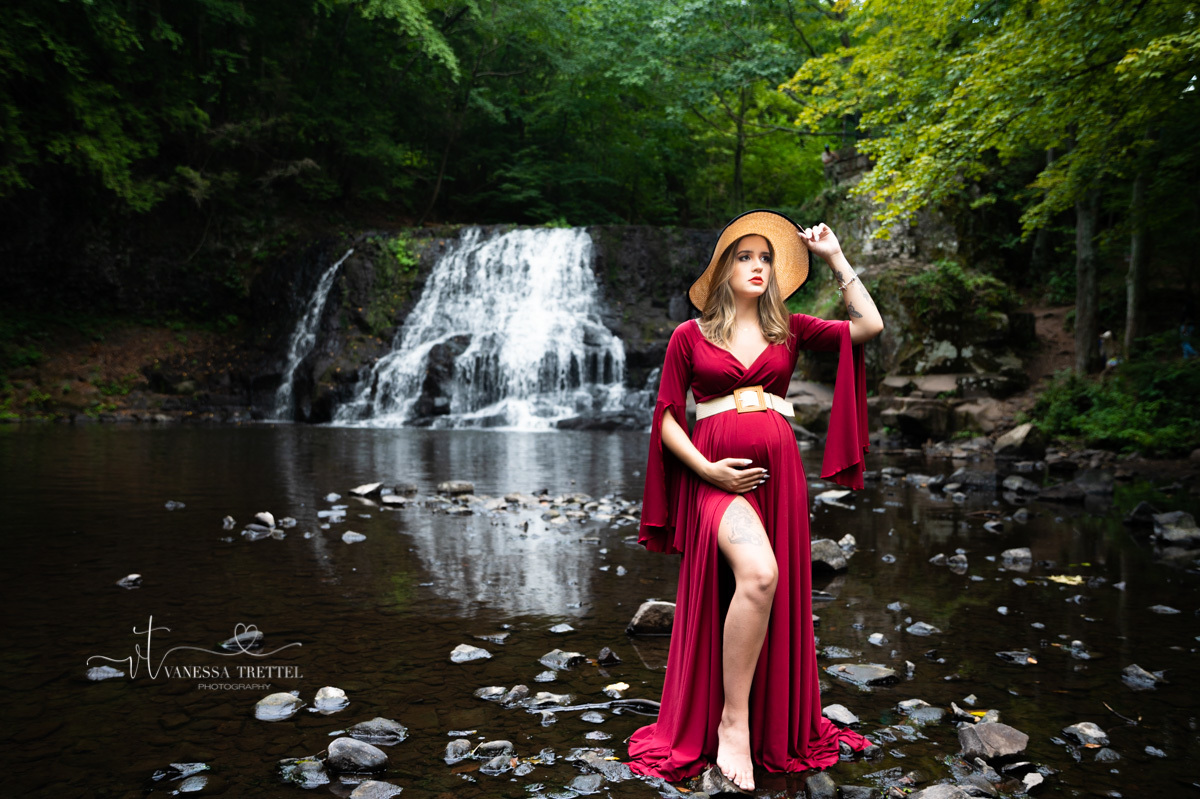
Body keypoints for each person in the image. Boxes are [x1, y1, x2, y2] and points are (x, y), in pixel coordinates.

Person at [627, 210, 884, 791]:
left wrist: (836, 259)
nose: (757, 266)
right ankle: (733, 722)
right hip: (711, 477)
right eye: (745, 256)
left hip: (779, 480)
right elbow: (667, 418)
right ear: (723, 270)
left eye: (765, 257)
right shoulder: (688, 336)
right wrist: (707, 470)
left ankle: (765, 723)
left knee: (761, 586)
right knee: (762, 575)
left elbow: (870, 326)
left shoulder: (789, 329)